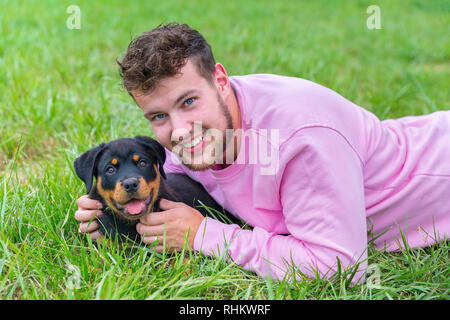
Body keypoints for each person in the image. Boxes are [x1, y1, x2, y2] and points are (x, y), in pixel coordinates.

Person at [75, 22, 449, 283]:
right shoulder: (202, 134)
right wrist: (104, 211)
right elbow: (165, 173)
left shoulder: (298, 138)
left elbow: (338, 267)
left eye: (188, 101)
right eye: (159, 115)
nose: (180, 131)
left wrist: (205, 234)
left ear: (220, 80)